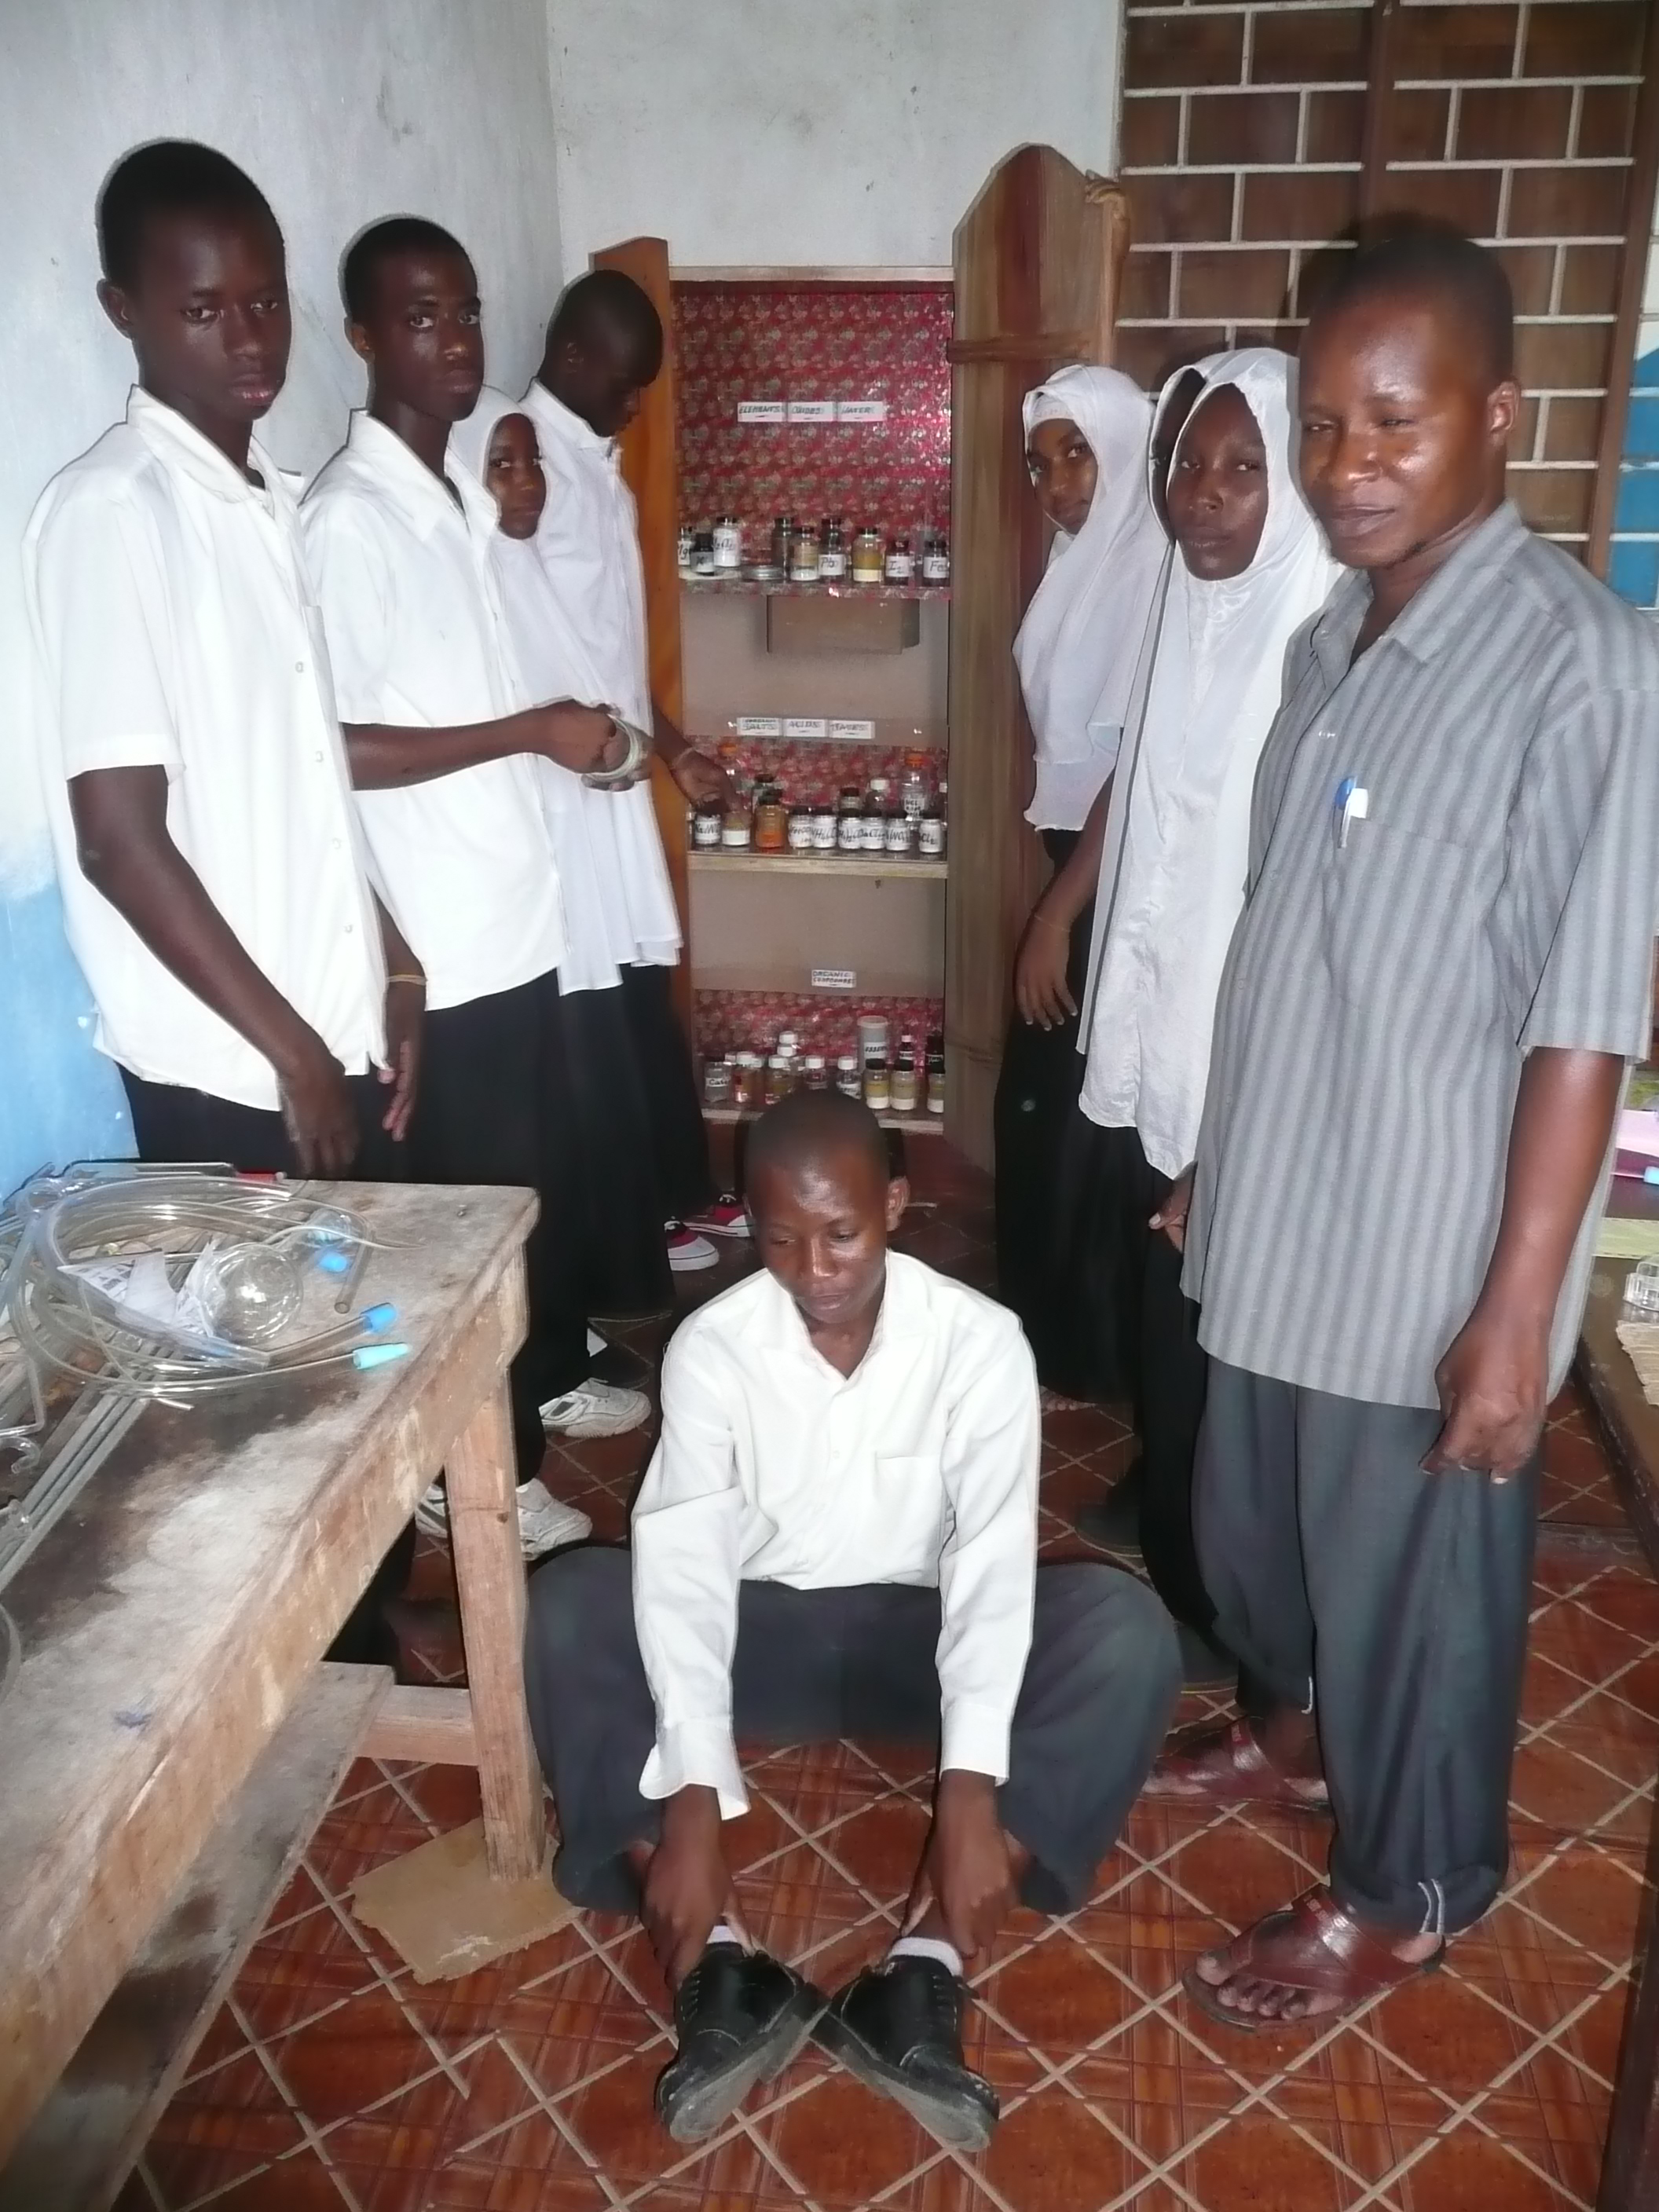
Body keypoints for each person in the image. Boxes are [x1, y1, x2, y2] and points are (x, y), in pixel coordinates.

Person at [1148, 226, 1659, 2028]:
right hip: (1279, 1204)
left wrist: (1517, 1310)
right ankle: (1290, 1733)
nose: (1341, 466)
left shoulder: (1578, 663)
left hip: (1422, 1239)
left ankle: (1407, 1888)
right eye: (1319, 424)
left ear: (1495, 415)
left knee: (1408, 1581)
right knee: (1251, 1529)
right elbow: (1289, 930)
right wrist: (1219, 1157)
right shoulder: (1329, 640)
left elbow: (1581, 1017)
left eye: (1390, 423)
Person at [525, 1090, 1181, 2148]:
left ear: (900, 1206)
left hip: (915, 1643)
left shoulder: (979, 1346)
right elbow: (687, 1566)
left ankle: (921, 1977)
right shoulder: (714, 1349)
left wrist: (968, 1785)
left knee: (1122, 1629)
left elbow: (989, 1564)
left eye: (842, 1235)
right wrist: (693, 1790)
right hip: (761, 1635)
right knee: (568, 1602)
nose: (815, 1271)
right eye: (781, 1240)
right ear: (749, 1221)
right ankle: (717, 1972)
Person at [24, 141, 419, 1664]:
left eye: (266, 304)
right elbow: (124, 839)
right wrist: (295, 1056)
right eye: (206, 310)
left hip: (319, 1025)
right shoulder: (114, 515)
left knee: (342, 1353)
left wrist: (392, 965)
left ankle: (370, 1623)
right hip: (228, 1063)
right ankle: (316, 1682)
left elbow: (302, 780)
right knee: (261, 1395)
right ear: (124, 307)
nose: (250, 341)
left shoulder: (265, 501)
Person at [302, 217, 648, 1565]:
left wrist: (581, 741)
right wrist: (527, 736)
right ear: (364, 338)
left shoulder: (453, 500)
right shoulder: (347, 523)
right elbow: (327, 751)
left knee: (513, 1211)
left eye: (464, 315)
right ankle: (470, 1473)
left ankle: (519, 1408)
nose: (453, 342)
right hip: (442, 950)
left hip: (514, 928)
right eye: (421, 318)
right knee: (459, 1235)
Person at [1068, 351, 1342, 1685]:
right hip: (1153, 1002)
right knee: (1163, 1305)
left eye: (1243, 469)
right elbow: (1143, 787)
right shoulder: (1183, 603)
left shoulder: (1321, 634)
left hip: (1244, 1050)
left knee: (1225, 1334)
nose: (1205, 499)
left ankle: (1217, 1600)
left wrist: (1235, 1120)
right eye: (1187, 464)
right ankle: (1170, 1506)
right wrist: (1069, 899)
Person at [520, 271, 745, 1275]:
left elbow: (609, 654)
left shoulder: (593, 465)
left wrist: (677, 746)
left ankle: (676, 1193)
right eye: (626, 382)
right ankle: (636, 1230)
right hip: (557, 793)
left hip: (617, 775)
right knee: (592, 1020)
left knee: (641, 994)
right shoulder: (516, 463)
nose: (636, 404)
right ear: (573, 359)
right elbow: (526, 651)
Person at [450, 389, 674, 1319]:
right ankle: (571, 1306)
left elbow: (595, 690)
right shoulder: (468, 578)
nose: (525, 483)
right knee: (561, 1095)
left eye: (531, 460)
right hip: (516, 876)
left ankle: (600, 1285)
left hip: (582, 840)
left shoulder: (527, 567)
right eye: (500, 464)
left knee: (594, 1074)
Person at [994, 366, 1167, 1402]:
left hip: (1118, 877)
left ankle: (1091, 1348)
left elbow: (1137, 769)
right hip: (1083, 867)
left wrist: (1055, 917)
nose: (1056, 483)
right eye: (1040, 461)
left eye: (1077, 452)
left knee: (1087, 1117)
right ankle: (1060, 1335)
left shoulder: (1153, 565)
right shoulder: (1085, 561)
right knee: (1055, 1108)